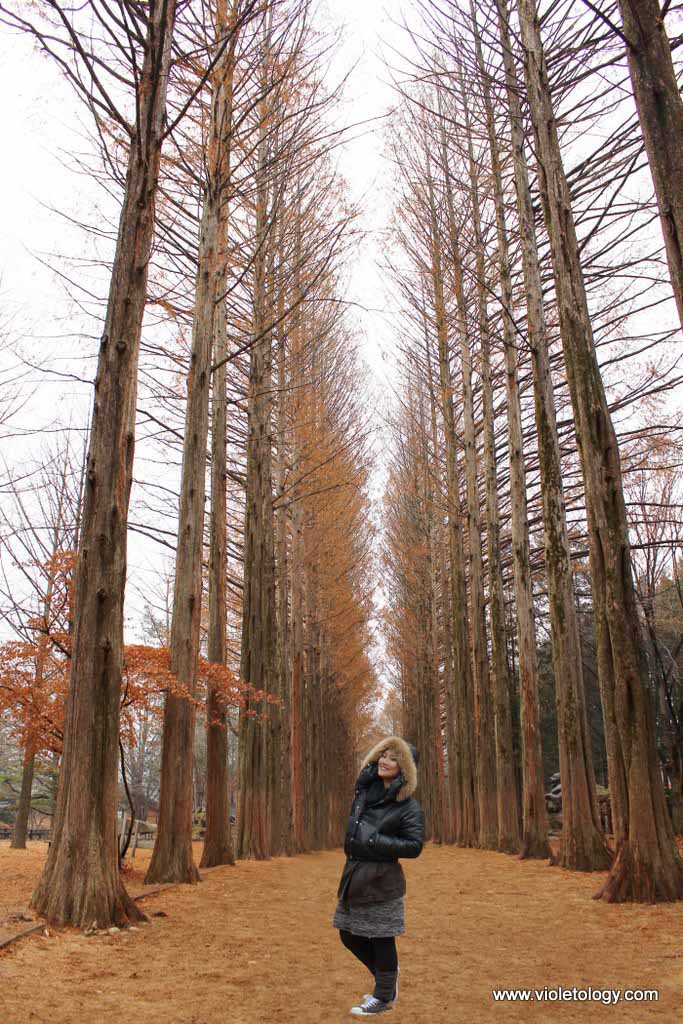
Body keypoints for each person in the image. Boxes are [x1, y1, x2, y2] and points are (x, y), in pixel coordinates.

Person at [333, 735, 425, 1016]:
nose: (385, 761)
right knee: (348, 935)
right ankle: (388, 979)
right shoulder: (365, 792)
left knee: (382, 937)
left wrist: (375, 841)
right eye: (384, 755)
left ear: (405, 768)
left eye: (394, 758)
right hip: (354, 874)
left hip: (383, 881)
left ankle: (383, 997)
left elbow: (414, 846)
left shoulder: (408, 806)